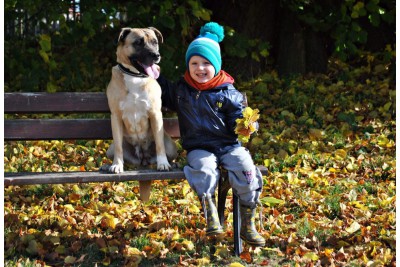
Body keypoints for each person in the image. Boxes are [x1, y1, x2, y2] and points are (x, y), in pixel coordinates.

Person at [157, 22, 265, 247]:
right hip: (199, 146)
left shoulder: (228, 91)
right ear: (188, 65)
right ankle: (211, 214)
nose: (200, 68)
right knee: (203, 168)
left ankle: (248, 222)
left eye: (206, 63)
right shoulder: (182, 90)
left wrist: (247, 125)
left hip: (228, 145)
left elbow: (239, 117)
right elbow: (163, 91)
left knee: (245, 167)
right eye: (194, 63)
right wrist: (153, 74)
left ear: (216, 65)